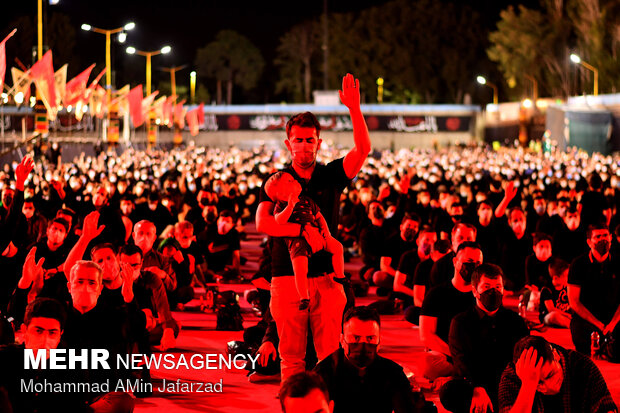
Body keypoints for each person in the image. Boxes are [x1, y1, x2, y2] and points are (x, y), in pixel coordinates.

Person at [256, 73, 371, 383]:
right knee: (291, 357)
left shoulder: (331, 175)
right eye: (298, 139)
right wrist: (300, 233)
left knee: (331, 356)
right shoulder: (275, 182)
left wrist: (354, 109)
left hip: (327, 279)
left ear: (319, 142)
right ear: (288, 142)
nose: (304, 146)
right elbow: (264, 222)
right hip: (285, 278)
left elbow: (362, 151)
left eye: (310, 140)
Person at [441, 263, 529, 413]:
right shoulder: (460, 322)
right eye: (486, 286)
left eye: (498, 287)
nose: (493, 291)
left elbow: (523, 357)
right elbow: (461, 361)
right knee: (450, 392)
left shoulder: (515, 321)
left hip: (508, 382)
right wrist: (477, 388)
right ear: (475, 291)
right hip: (474, 383)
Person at [314, 306, 422, 413]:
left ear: (379, 341)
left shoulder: (393, 373)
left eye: (370, 338)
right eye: (356, 338)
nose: (363, 345)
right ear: (342, 340)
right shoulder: (323, 375)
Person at [264, 171, 346, 310]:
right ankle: (304, 296)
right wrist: (290, 206)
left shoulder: (306, 200)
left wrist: (326, 232)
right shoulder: (281, 205)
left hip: (318, 234)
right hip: (298, 242)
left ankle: (340, 275)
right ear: (281, 193)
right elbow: (279, 220)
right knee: (300, 268)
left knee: (337, 247)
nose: (295, 181)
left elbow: (319, 217)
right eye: (289, 181)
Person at [498, 335, 618, 413]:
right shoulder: (512, 377)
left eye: (550, 375)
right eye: (538, 382)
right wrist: (528, 385)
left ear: (555, 355)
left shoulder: (583, 366)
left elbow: (607, 407)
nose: (547, 386)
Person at [419, 241, 482, 381]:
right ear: (455, 261)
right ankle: (468, 377)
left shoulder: (482, 295)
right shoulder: (436, 293)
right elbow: (426, 335)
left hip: (476, 354)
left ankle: (459, 378)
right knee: (427, 363)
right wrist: (457, 356)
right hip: (446, 354)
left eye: (478, 263)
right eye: (469, 262)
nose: (474, 267)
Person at [567, 224, 620, 356]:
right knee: (581, 339)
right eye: (598, 237)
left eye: (605, 236)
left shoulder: (618, 262)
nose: (603, 240)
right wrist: (599, 325)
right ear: (589, 242)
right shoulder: (578, 264)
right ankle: (606, 346)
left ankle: (608, 346)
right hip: (587, 318)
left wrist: (612, 324)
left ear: (611, 237)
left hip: (613, 317)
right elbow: (574, 302)